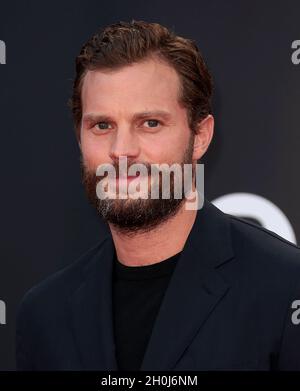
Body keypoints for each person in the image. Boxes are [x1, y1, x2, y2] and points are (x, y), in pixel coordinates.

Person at [16, 20, 300, 371]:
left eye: (149, 123)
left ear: (200, 136)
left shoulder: (286, 289)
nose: (122, 151)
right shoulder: (45, 314)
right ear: (80, 138)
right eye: (102, 125)